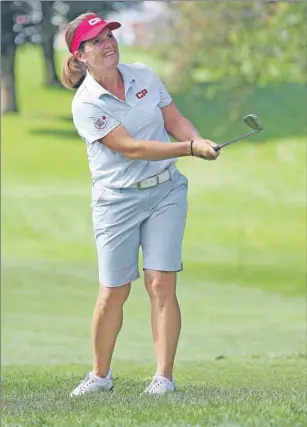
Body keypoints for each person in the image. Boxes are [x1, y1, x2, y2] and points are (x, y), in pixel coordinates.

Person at [61, 12, 220, 397]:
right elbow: (131, 149)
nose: (107, 43)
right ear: (80, 55)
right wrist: (189, 149)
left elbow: (175, 119)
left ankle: (163, 379)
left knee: (161, 282)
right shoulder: (86, 103)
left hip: (166, 192)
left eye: (108, 35)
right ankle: (101, 376)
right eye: (96, 40)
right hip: (117, 201)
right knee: (113, 292)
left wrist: (198, 139)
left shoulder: (144, 75)